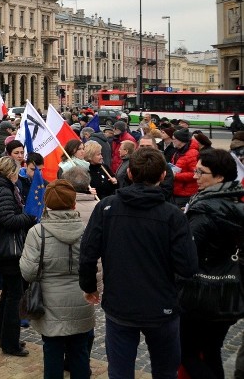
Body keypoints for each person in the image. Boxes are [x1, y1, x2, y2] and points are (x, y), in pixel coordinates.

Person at [79, 147, 198, 378]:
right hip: (160, 305)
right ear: (163, 175)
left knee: (121, 372)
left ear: (130, 174)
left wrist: (89, 287)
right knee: (164, 371)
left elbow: (87, 254)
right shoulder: (173, 215)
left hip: (122, 304)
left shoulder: (106, 208)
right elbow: (188, 267)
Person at [178, 148, 244, 378]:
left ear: (219, 177)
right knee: (211, 349)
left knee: (187, 352)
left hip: (201, 294)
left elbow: (187, 254)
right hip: (230, 290)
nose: (195, 175)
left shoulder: (205, 210)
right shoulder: (234, 201)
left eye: (201, 172)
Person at [20, 180, 95, 379]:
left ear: (47, 204)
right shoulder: (87, 231)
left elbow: (28, 272)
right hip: (81, 298)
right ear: (73, 204)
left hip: (49, 301)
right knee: (79, 352)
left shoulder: (37, 233)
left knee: (52, 352)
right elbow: (96, 267)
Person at [0, 156, 36, 357]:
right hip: (9, 249)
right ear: (11, 173)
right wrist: (29, 216)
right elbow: (9, 221)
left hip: (5, 248)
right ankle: (10, 343)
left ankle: (4, 335)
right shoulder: (3, 190)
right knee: (14, 295)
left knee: (8, 293)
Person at [170, 129, 199, 208]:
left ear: (180, 140)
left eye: (174, 139)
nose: (172, 141)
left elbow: (195, 173)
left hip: (186, 193)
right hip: (177, 190)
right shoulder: (178, 151)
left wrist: (176, 176)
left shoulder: (192, 153)